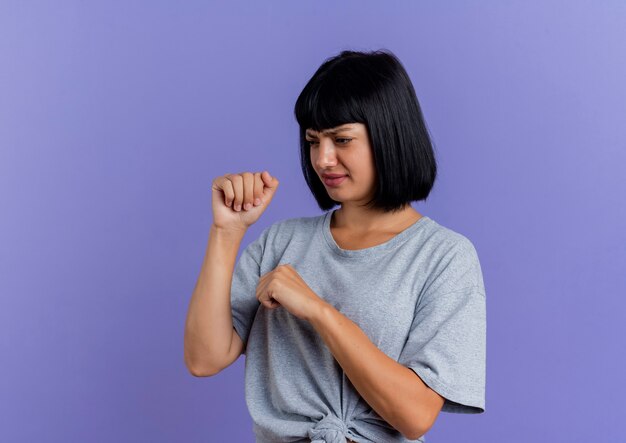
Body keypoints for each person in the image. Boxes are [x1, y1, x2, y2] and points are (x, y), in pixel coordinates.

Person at [184, 49, 486, 443]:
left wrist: (318, 311)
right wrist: (226, 233)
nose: (323, 159)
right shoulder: (282, 241)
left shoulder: (444, 257)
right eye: (313, 141)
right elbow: (203, 359)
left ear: (389, 134)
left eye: (342, 139)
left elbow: (415, 416)